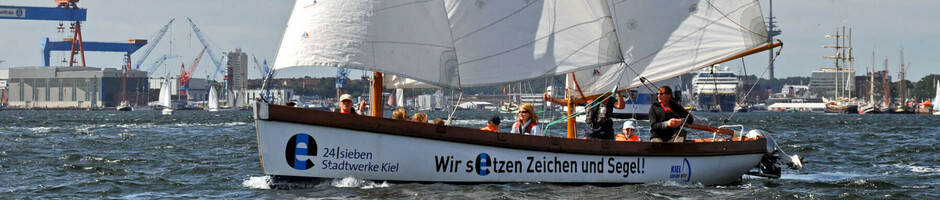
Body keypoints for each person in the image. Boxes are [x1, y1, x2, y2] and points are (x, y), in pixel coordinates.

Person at [543, 91, 625, 140]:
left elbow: (620, 106)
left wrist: (619, 94)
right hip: (590, 133)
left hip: (605, 133)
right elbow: (568, 102)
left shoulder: (608, 98)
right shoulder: (588, 98)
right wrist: (551, 99)